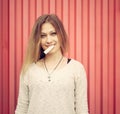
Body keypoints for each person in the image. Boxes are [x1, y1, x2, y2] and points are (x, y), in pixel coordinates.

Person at [15, 14, 89, 114]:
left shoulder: (76, 69)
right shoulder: (29, 70)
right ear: (38, 40)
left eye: (53, 33)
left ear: (61, 35)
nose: (49, 40)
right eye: (43, 36)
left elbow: (82, 109)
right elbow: (21, 109)